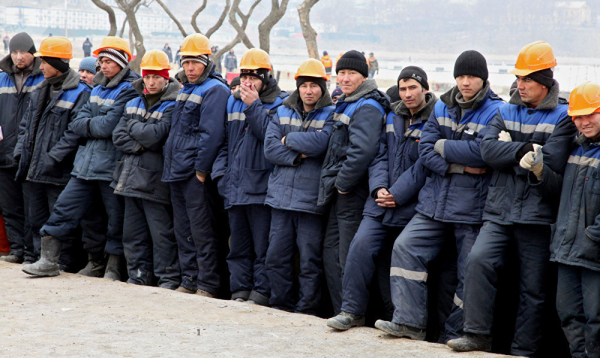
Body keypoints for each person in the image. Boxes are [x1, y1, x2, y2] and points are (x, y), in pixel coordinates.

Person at [448, 41, 577, 356]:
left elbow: (553, 164)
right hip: (499, 211)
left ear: (544, 81)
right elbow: (487, 150)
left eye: (527, 79)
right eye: (518, 79)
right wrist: (523, 151)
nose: (520, 85)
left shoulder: (563, 115)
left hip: (537, 216)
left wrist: (518, 154)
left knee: (533, 290)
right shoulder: (505, 108)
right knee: (478, 262)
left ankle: (524, 351)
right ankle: (477, 335)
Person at [375, 50, 503, 341]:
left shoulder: (497, 110)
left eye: (471, 76)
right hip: (433, 204)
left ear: (483, 79)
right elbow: (426, 149)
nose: (465, 82)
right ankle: (409, 322)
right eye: (460, 76)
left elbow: (485, 153)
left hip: (472, 208)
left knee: (470, 270)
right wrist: (458, 165)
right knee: (405, 247)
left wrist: (443, 149)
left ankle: (458, 333)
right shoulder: (442, 107)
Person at [327, 66, 437, 330]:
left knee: (401, 258)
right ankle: (351, 311)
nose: (408, 94)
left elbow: (424, 164)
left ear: (424, 89)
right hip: (379, 202)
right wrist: (378, 189)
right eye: (403, 89)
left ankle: (405, 321)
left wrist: (397, 194)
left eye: (413, 88)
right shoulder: (392, 116)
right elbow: (378, 155)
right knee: (359, 248)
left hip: (412, 205)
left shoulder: (435, 118)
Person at [22, 36, 141, 279]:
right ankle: (50, 260)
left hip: (111, 167)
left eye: (108, 61)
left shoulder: (129, 89)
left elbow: (109, 126)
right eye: (101, 61)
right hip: (85, 166)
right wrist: (92, 124)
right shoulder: (97, 88)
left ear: (121, 63)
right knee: (65, 211)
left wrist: (89, 124)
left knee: (114, 220)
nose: (103, 66)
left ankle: (113, 268)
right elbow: (78, 123)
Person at [212, 48, 288, 305]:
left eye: (253, 77)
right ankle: (239, 291)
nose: (248, 82)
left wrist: (254, 105)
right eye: (244, 75)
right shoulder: (232, 100)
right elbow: (224, 142)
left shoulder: (280, 103)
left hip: (261, 188)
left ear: (266, 76)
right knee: (238, 248)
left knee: (262, 249)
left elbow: (270, 139)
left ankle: (260, 293)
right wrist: (220, 175)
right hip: (233, 186)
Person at [318, 50, 389, 315]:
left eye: (351, 73)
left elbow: (363, 151)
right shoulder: (349, 101)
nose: (345, 79)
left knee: (348, 255)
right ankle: (342, 310)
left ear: (364, 76)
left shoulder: (367, 105)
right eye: (341, 73)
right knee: (332, 251)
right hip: (342, 189)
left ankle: (354, 313)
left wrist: (343, 183)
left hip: (353, 190)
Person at [161, 34, 230, 297]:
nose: (189, 68)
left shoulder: (215, 90)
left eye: (194, 62)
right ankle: (189, 280)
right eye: (185, 62)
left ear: (206, 62)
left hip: (194, 174)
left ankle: (207, 284)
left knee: (203, 231)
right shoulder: (185, 88)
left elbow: (211, 135)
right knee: (183, 229)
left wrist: (201, 171)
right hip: (177, 170)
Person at [13, 37, 91, 269]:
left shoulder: (79, 92)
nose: (42, 66)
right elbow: (26, 127)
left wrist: (54, 157)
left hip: (58, 171)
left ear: (58, 63)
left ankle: (63, 264)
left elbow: (74, 133)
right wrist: (21, 152)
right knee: (36, 219)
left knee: (60, 219)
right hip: (34, 168)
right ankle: (40, 260)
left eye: (45, 62)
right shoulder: (40, 90)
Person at [264, 59, 334, 314]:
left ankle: (307, 310)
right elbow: (270, 149)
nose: (308, 91)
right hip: (281, 199)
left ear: (322, 88)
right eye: (304, 85)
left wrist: (289, 139)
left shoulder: (332, 114)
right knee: (275, 258)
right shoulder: (282, 110)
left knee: (309, 262)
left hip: (310, 202)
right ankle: (280, 305)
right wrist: (297, 154)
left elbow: (323, 144)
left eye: (314, 86)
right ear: (297, 87)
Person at [112, 49, 180, 289]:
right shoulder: (132, 101)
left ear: (166, 78)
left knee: (161, 235)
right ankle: (138, 276)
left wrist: (133, 127)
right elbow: (118, 137)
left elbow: (156, 137)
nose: (151, 82)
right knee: (132, 234)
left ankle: (168, 279)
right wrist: (140, 143)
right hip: (130, 178)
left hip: (155, 182)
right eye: (148, 77)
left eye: (156, 77)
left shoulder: (173, 104)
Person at [549, 81, 600, 358]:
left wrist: (593, 237)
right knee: (568, 314)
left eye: (590, 114)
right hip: (568, 250)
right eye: (578, 116)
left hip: (594, 254)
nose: (583, 122)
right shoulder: (575, 149)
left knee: (596, 321)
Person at [0, 32, 45, 264]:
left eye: (23, 53)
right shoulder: (1, 79)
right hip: (4, 153)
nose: (18, 57)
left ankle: (31, 253)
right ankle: (17, 250)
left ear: (33, 53)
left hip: (29, 155)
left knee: (32, 210)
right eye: (14, 52)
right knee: (10, 208)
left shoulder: (42, 79)